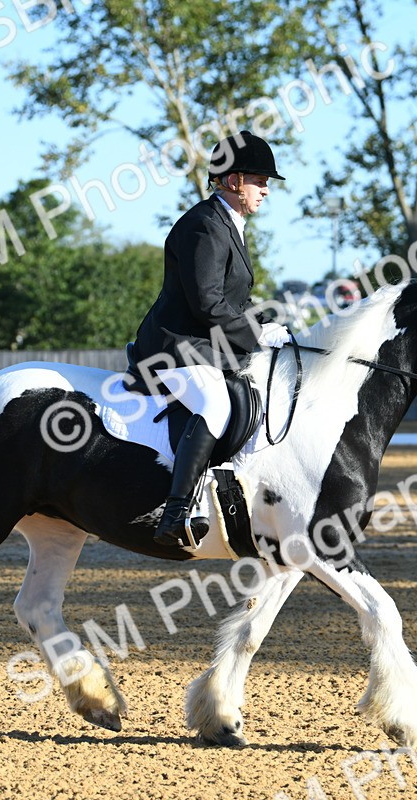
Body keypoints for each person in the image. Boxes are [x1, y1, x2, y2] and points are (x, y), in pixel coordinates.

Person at [132, 130, 291, 547]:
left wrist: (270, 324)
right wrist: (256, 333)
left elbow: (234, 300)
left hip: (205, 344)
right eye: (260, 181)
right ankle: (176, 512)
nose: (266, 190)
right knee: (215, 403)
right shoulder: (203, 225)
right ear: (234, 180)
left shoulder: (229, 225)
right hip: (175, 346)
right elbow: (207, 302)